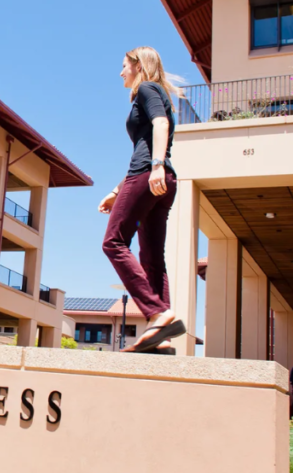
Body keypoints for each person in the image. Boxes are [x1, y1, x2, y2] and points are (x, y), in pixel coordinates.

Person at [100, 46, 185, 354]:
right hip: (157, 179)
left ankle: (156, 312)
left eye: (124, 66)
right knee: (151, 257)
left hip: (151, 175)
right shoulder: (159, 93)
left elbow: (160, 127)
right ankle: (161, 334)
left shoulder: (147, 89)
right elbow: (146, 145)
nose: (121, 72)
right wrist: (116, 190)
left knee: (113, 242)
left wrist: (157, 166)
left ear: (138, 66)